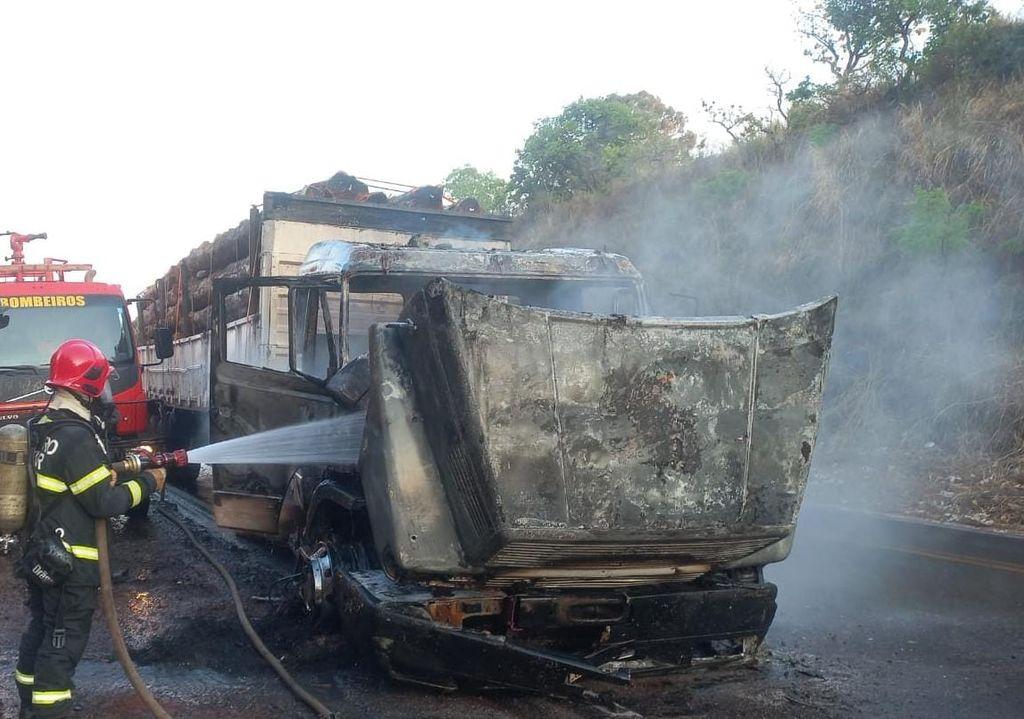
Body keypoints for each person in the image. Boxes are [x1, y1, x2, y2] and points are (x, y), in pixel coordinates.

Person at [14, 339, 165, 719]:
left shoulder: (46, 425)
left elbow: (81, 479)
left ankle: (29, 705)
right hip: (71, 564)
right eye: (103, 384)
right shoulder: (77, 436)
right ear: (88, 385)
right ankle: (49, 710)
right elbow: (103, 502)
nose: (106, 393)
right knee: (62, 644)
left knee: (41, 630)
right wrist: (150, 483)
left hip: (43, 553)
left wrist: (124, 466)